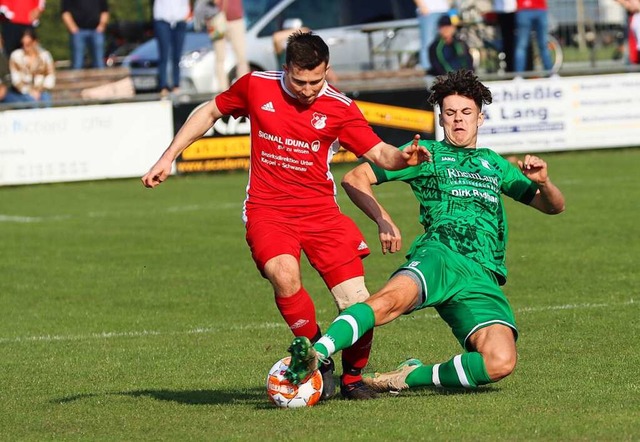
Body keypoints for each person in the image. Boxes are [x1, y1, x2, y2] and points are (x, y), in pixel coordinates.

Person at [141, 31, 429, 401]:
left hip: (322, 214)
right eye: (300, 81)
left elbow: (380, 153)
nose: (309, 89)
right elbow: (211, 110)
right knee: (283, 273)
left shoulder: (340, 108)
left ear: (327, 70)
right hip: (268, 209)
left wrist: (403, 158)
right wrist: (169, 157)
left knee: (357, 302)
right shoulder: (256, 87)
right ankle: (316, 356)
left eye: (317, 80)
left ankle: (353, 379)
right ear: (285, 70)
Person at [285, 69, 565, 395]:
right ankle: (316, 354)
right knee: (387, 303)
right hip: (440, 256)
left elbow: (553, 206)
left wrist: (544, 182)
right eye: (450, 113)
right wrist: (383, 219)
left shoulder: (493, 163)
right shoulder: (427, 154)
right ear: (441, 119)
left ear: (480, 118)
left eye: (466, 113)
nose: (458, 120)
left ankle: (408, 376)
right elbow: (355, 178)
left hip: (483, 275)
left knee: (500, 362)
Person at [152, 0, 190, 96]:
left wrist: (186, 14)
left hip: (180, 20)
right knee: (164, 54)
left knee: (177, 55)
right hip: (163, 19)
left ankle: (176, 84)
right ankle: (163, 86)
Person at [9, 28, 55, 104]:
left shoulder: (45, 56)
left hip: (43, 91)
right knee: (31, 101)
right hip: (23, 92)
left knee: (46, 99)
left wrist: (40, 90)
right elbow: (16, 79)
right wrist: (29, 91)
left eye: (28, 44)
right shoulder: (16, 56)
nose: (25, 46)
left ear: (35, 42)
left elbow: (50, 75)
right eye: (23, 44)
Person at [211, 0, 249, 91]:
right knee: (220, 57)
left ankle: (243, 88)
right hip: (216, 20)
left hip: (236, 19)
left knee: (241, 57)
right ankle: (222, 90)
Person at [61, 0, 109, 70]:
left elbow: (105, 10)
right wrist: (72, 28)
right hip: (78, 32)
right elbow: (65, 12)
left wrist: (101, 26)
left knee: (99, 63)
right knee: (77, 64)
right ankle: (76, 80)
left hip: (96, 31)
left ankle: (101, 81)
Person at [513, 0, 552, 74]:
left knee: (543, 44)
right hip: (524, 9)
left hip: (539, 9)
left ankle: (550, 72)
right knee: (522, 45)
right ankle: (518, 75)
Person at [414, 0, 451, 73]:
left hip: (445, 9)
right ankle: (427, 69)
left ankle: (445, 67)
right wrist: (421, 6)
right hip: (429, 11)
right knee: (428, 41)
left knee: (446, 40)